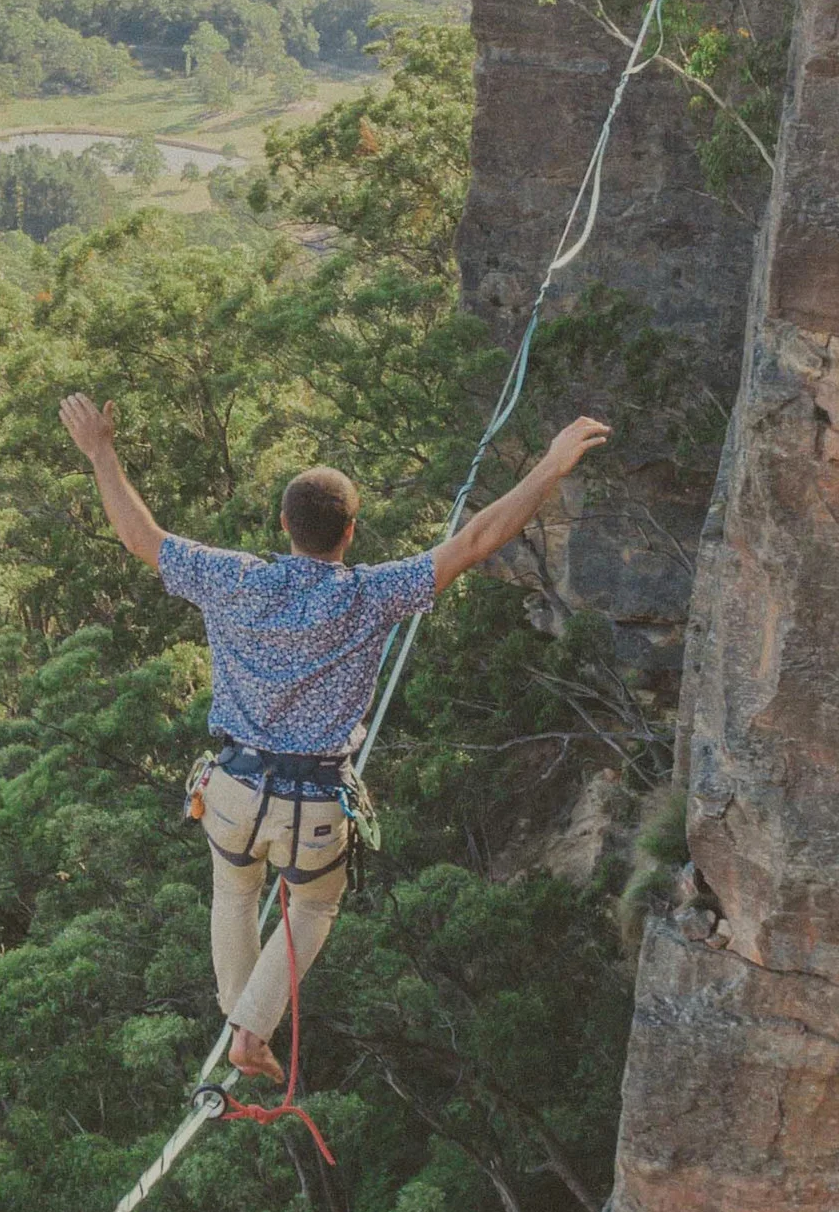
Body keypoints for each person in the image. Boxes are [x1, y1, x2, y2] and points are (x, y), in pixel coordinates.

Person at [58, 394, 611, 1084]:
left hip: (232, 787)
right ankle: (250, 1028)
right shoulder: (371, 593)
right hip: (313, 805)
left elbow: (143, 537)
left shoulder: (232, 579)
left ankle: (242, 1018)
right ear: (350, 531)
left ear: (284, 524)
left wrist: (101, 453)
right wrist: (551, 465)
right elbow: (475, 540)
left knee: (233, 893)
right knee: (313, 905)